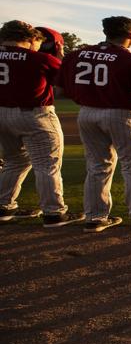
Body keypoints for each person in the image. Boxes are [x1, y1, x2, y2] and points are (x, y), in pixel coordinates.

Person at [60, 16, 131, 232]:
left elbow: (60, 90)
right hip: (123, 114)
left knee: (97, 166)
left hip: (87, 113)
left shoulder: (76, 55)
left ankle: (95, 217)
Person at [0, 20, 69, 226]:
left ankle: (4, 205)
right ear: (31, 40)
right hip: (34, 115)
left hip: (1, 114)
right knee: (47, 165)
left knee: (15, 160)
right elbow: (66, 82)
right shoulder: (40, 58)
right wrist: (59, 55)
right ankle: (54, 212)